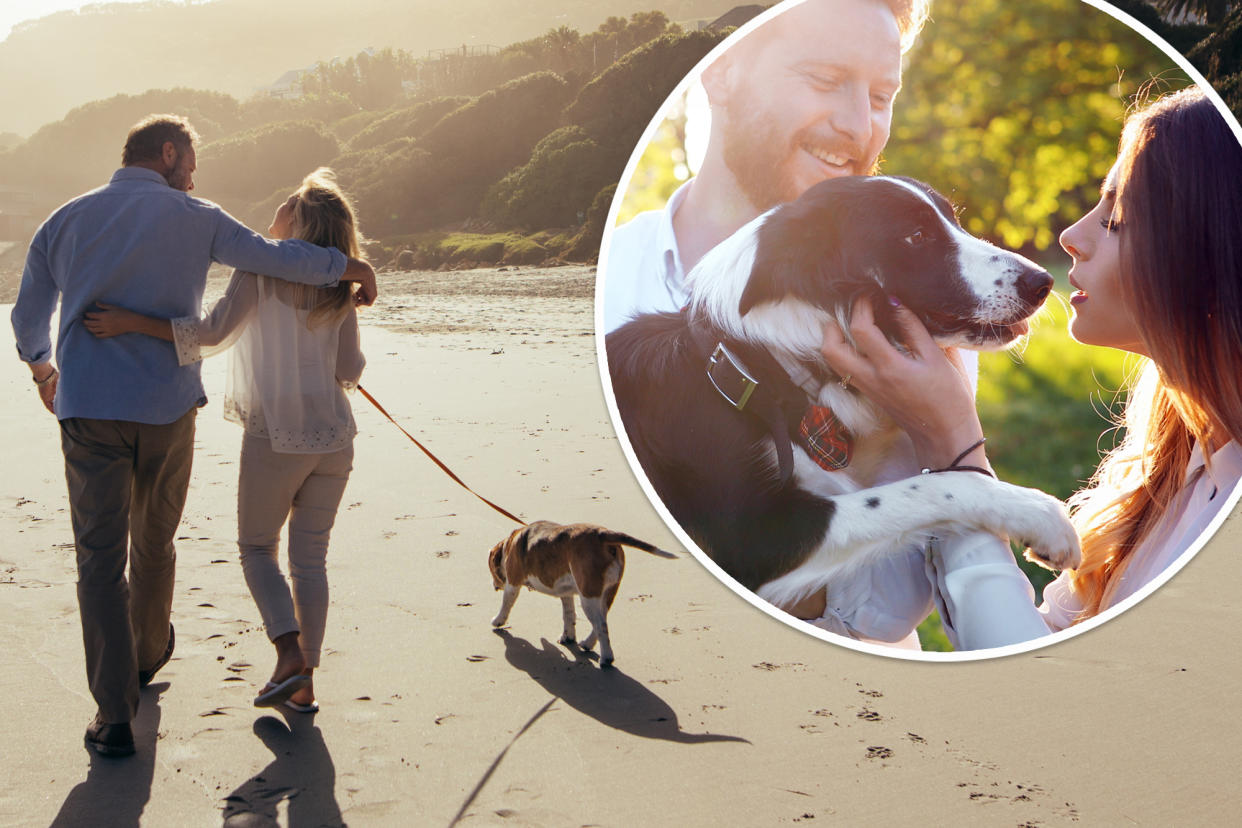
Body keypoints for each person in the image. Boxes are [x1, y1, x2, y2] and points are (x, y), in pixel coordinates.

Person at [604, 0, 990, 649]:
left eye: (880, 94)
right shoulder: (609, 285)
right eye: (823, 80)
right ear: (721, 70)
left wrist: (944, 441)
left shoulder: (908, 310)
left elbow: (891, 609)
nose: (858, 126)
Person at [819, 85, 1242, 644]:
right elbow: (1040, 644)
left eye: (1116, 219)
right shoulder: (1178, 468)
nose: (1071, 236)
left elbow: (1032, 685)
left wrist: (955, 451)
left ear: (1211, 247)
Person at [10, 114, 377, 757]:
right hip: (170, 409)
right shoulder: (199, 216)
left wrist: (44, 368)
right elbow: (276, 258)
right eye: (192, 164)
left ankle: (114, 713)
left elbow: (27, 313)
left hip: (89, 406)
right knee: (155, 543)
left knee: (100, 559)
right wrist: (347, 265)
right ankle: (150, 655)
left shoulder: (63, 219)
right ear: (170, 154)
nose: (194, 176)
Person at [85, 168, 366, 714]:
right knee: (312, 562)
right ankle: (304, 679)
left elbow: (207, 336)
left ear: (300, 222)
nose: (278, 206)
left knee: (258, 549)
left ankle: (289, 657)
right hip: (334, 440)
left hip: (276, 439)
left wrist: (130, 322)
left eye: (289, 201)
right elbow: (351, 368)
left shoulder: (259, 272)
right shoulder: (340, 286)